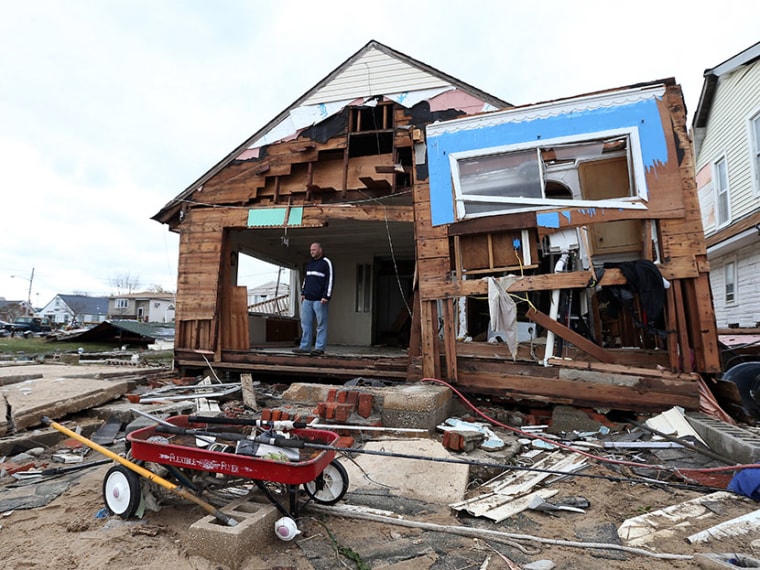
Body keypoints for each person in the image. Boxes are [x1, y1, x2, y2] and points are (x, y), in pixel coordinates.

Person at [294, 242, 333, 355]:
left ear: (320, 250)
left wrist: (326, 296)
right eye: (311, 250)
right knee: (305, 323)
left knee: (321, 324)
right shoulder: (310, 263)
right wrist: (303, 292)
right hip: (307, 299)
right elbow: (306, 279)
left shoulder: (326, 263)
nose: (312, 252)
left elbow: (330, 280)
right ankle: (305, 347)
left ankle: (319, 348)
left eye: (314, 249)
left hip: (320, 300)